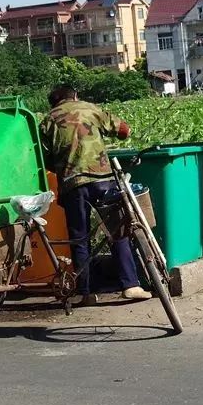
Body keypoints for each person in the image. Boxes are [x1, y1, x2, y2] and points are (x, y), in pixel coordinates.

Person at [39, 85, 152, 305]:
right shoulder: (90, 108)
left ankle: (86, 293)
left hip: (72, 185)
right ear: (75, 95)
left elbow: (45, 159)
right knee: (117, 231)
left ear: (54, 102)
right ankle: (131, 285)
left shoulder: (47, 121)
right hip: (102, 180)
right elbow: (124, 130)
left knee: (80, 238)